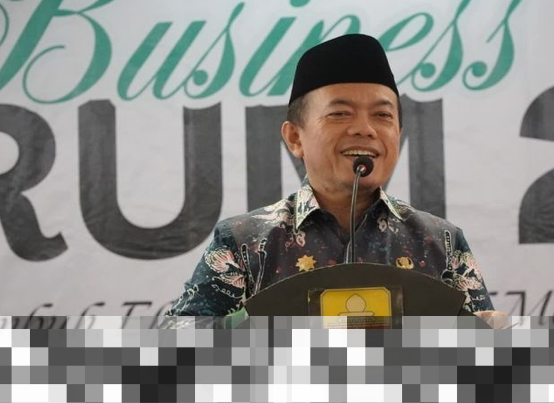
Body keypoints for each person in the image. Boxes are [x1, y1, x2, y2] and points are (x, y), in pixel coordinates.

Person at [166, 34, 499, 319]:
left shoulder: (440, 241)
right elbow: (178, 347)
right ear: (295, 137)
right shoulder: (243, 242)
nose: (365, 129)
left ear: (398, 134)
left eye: (382, 115)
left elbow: (486, 355)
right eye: (340, 113)